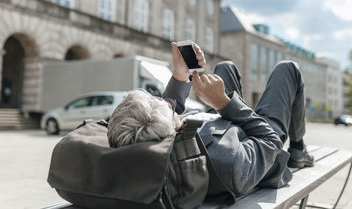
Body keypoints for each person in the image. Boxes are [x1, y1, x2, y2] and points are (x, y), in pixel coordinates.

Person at [108, 42, 314, 197]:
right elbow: (271, 141)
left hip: (222, 128)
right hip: (260, 137)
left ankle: (220, 92)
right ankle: (298, 149)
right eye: (170, 109)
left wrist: (181, 74)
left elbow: (162, 112)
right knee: (288, 69)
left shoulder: (153, 139)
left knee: (225, 68)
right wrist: (224, 103)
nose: (170, 104)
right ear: (174, 128)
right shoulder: (229, 163)